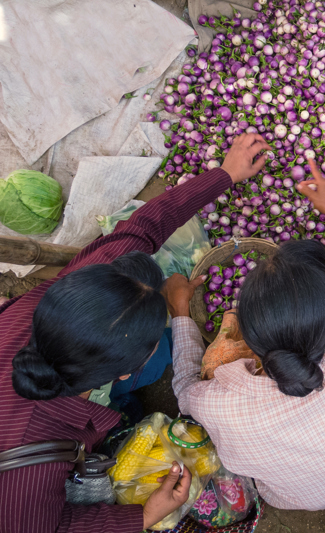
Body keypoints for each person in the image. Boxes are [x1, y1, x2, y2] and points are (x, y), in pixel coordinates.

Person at [0, 133, 269, 533]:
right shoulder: (26, 478)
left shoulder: (70, 298)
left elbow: (141, 231)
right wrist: (142, 516)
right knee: (166, 357)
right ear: (124, 371)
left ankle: (119, 409)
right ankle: (119, 412)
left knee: (159, 358)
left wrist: (225, 174)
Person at [166, 160, 325, 511]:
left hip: (297, 499)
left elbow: (183, 389)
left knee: (211, 364)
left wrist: (180, 313)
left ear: (249, 340)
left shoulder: (219, 402)